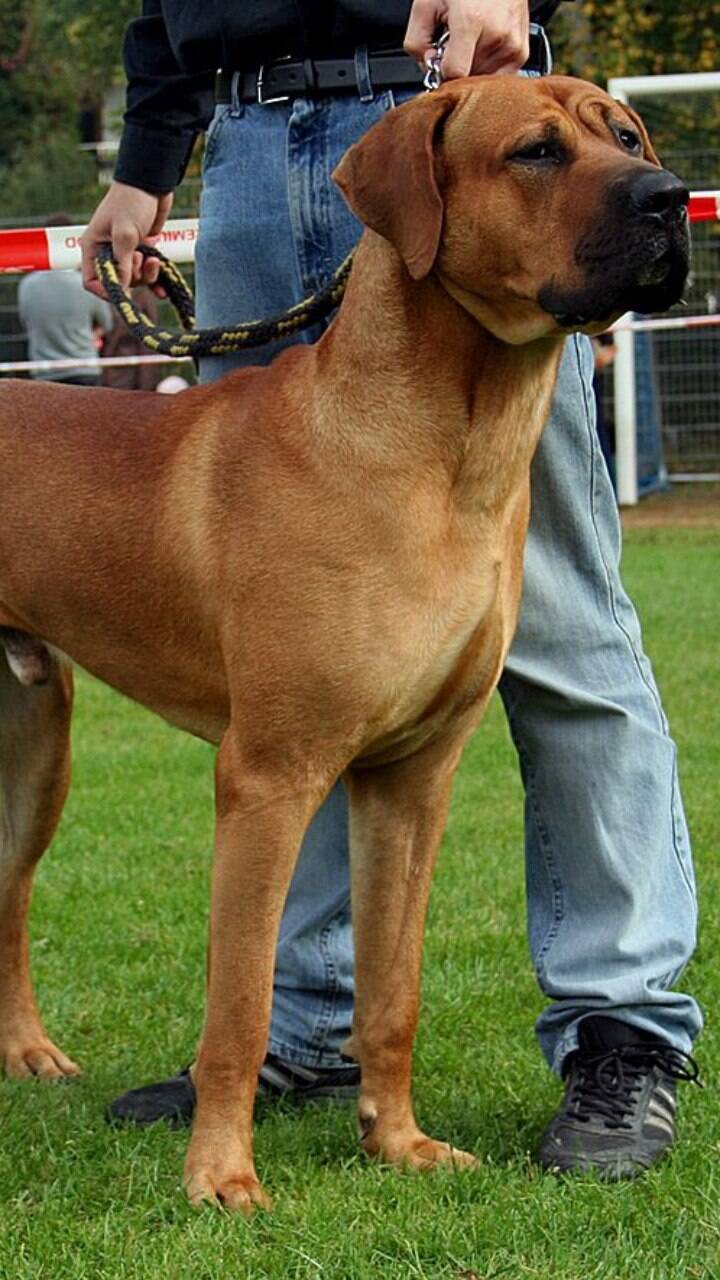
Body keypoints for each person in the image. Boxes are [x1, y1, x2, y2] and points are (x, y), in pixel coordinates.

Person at [80, 0, 702, 1179]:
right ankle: (297, 1047)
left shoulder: (513, 142)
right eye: (559, 158)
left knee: (566, 637)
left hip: (459, 71)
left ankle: (621, 1025)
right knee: (296, 708)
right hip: (249, 133)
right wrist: (147, 160)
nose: (635, 180)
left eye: (629, 147)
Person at [18, 213, 113, 386]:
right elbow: (106, 324)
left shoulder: (27, 286)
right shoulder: (86, 283)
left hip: (45, 372)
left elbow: (26, 324)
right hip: (84, 367)